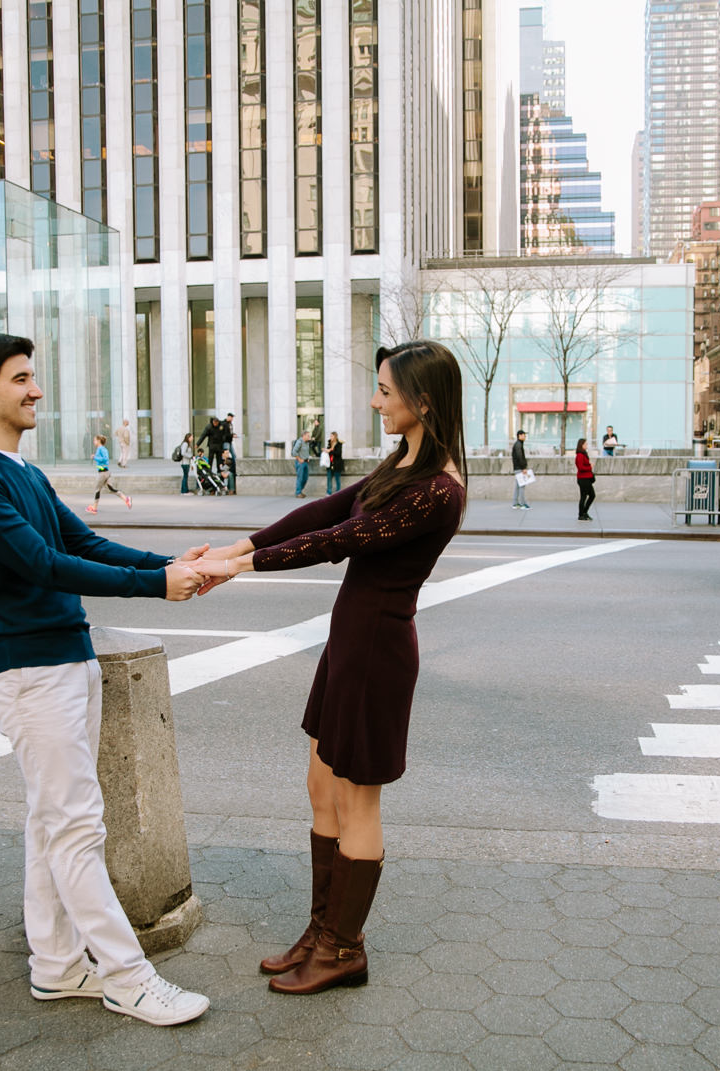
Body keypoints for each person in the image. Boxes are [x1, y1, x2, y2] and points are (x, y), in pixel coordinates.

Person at [0, 331, 210, 1027]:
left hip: (63, 660)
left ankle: (56, 966)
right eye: (22, 378)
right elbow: (41, 564)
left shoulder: (19, 469)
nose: (37, 390)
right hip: (28, 672)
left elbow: (81, 543)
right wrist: (158, 583)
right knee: (78, 828)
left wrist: (174, 564)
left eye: (33, 376)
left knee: (50, 823)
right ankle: (127, 976)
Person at [191, 339, 467, 996]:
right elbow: (328, 510)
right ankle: (321, 930)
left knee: (356, 798)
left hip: (377, 652)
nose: (374, 401)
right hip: (348, 644)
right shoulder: (404, 464)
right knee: (320, 787)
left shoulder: (437, 490)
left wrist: (239, 568)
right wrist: (242, 542)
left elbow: (339, 542)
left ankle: (345, 948)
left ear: (421, 402)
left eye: (384, 391)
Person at [87, 434, 132, 514]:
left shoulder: (101, 449)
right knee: (111, 489)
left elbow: (105, 459)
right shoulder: (101, 449)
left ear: (98, 441)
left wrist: (95, 457)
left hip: (103, 473)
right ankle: (126, 499)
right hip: (105, 472)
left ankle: (94, 508)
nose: (94, 442)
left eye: (94, 440)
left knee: (97, 489)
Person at [575, 437, 596, 521]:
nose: (587, 445)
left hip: (587, 478)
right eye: (585, 444)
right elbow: (580, 467)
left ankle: (584, 512)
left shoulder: (583, 454)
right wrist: (590, 467)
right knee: (584, 496)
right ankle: (581, 514)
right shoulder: (580, 455)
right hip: (583, 479)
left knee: (592, 495)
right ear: (581, 445)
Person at [291, 429, 316, 498]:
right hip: (300, 463)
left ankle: (300, 491)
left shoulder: (307, 443)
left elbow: (306, 452)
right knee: (300, 478)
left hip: (305, 462)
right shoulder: (299, 442)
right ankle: (298, 492)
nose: (309, 437)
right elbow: (293, 452)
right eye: (308, 436)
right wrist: (299, 459)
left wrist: (307, 458)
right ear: (304, 435)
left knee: (305, 478)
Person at [511, 429, 531, 510]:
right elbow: (520, 457)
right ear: (519, 436)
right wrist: (523, 468)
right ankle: (522, 504)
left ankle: (515, 503)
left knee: (518, 486)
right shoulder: (518, 445)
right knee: (522, 486)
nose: (525, 436)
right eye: (523, 435)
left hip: (517, 468)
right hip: (519, 468)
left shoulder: (518, 444)